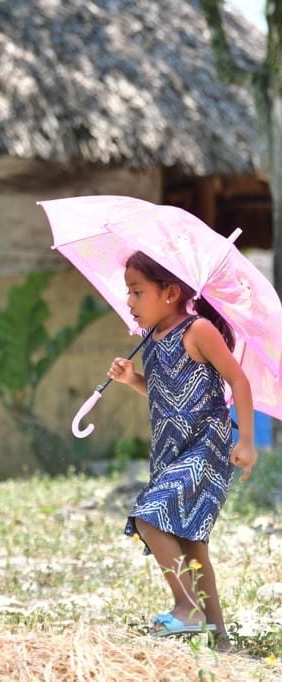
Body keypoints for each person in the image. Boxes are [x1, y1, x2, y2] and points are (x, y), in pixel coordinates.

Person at [107, 250, 257, 647]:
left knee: (150, 516)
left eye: (137, 292)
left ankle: (187, 608)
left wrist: (246, 441)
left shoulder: (198, 330)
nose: (130, 301)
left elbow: (239, 381)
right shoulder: (150, 339)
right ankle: (220, 640)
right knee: (192, 544)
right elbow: (164, 393)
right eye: (128, 292)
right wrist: (132, 380)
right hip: (169, 450)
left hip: (206, 445)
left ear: (171, 292)